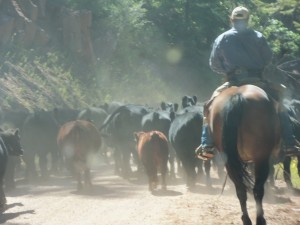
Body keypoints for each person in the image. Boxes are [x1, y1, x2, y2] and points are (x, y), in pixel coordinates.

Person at [195, 6, 300, 159]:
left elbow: (214, 64)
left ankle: (207, 144)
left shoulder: (222, 38)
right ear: (248, 19)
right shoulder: (258, 36)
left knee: (209, 106)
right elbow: (267, 58)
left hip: (232, 81)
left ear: (231, 19)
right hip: (257, 80)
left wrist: (226, 69)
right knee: (280, 104)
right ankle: (290, 143)